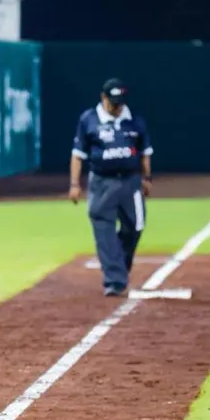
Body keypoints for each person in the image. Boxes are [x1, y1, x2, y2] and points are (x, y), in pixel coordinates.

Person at [68, 78, 153, 296]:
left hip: (130, 181)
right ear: (103, 98)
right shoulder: (88, 120)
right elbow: (78, 155)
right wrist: (75, 184)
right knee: (103, 229)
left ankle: (120, 267)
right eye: (113, 102)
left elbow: (145, 152)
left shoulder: (134, 119)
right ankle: (114, 281)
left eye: (120, 102)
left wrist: (147, 178)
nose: (118, 107)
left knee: (135, 226)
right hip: (101, 182)